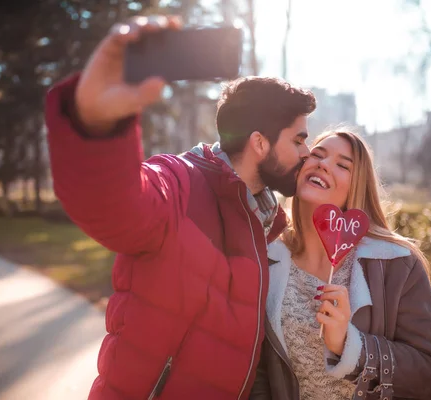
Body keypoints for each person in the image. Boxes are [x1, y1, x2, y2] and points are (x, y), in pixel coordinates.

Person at [44, 15, 317, 400]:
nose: (308, 153)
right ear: (259, 143)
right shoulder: (179, 183)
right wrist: (94, 122)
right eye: (299, 140)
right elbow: (111, 204)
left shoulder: (270, 226)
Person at [251, 128, 431, 400]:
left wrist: (349, 345)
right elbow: (260, 373)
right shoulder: (266, 257)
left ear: (357, 187)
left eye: (342, 165)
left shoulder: (396, 263)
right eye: (317, 155)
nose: (323, 164)